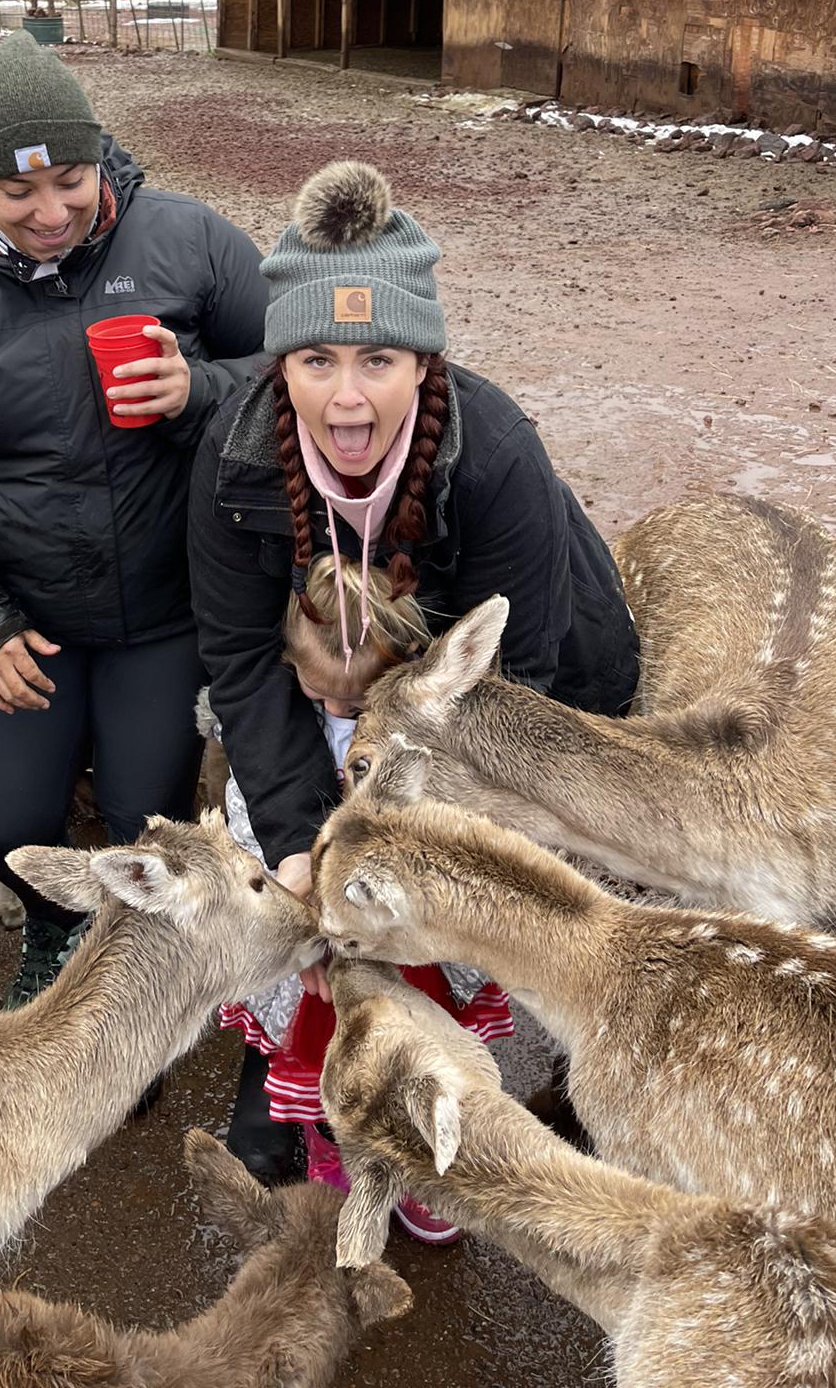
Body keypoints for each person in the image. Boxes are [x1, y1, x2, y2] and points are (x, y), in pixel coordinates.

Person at [189, 158, 639, 1179]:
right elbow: (239, 660)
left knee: (435, 897)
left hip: (475, 704)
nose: (346, 398)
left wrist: (410, 840)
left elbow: (513, 681)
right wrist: (310, 838)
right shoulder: (231, 455)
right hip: (321, 686)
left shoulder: (495, 453)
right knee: (293, 867)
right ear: (279, 367)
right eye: (315, 360)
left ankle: (447, 1105)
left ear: (425, 363)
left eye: (378, 358)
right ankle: (292, 1072)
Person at [0, 31, 268, 1006]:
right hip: (16, 614)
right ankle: (51, 931)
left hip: (161, 613)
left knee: (146, 821)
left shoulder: (194, 241)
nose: (52, 212)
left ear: (97, 158)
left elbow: (295, 371)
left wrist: (200, 387)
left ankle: (133, 977)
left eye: (72, 180)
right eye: (20, 193)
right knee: (11, 826)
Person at [217, 554, 513, 1239]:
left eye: (354, 703)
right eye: (321, 697)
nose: (339, 712)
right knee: (329, 1045)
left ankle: (426, 1157)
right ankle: (336, 1141)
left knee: (426, 1046)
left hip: (414, 939)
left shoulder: (437, 737)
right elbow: (250, 811)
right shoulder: (276, 732)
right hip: (322, 950)